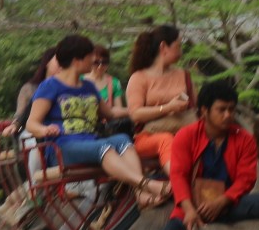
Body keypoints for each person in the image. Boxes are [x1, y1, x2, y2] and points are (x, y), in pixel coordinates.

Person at [26, 33, 169, 208]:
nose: (94, 61)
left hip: (90, 141)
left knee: (123, 140)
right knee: (104, 147)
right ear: (77, 61)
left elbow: (110, 113)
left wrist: (146, 110)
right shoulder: (49, 86)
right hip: (62, 147)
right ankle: (146, 184)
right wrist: (44, 130)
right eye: (90, 57)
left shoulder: (88, 87)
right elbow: (31, 123)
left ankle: (139, 193)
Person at [157, 79, 259, 230]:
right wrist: (189, 210)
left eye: (231, 109)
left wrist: (223, 201)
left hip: (228, 205)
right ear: (204, 111)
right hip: (195, 206)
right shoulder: (185, 136)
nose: (228, 115)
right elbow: (178, 175)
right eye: (221, 110)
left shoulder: (245, 139)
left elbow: (246, 179)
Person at [124, 24, 195, 166]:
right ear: (163, 47)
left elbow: (196, 108)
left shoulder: (184, 75)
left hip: (183, 131)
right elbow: (135, 114)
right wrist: (168, 107)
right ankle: (178, 181)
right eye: (178, 46)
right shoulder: (139, 77)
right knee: (166, 140)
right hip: (149, 136)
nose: (181, 51)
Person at [88, 46, 126, 113]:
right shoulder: (79, 80)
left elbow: (118, 108)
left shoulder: (114, 82)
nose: (100, 66)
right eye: (96, 62)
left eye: (104, 62)